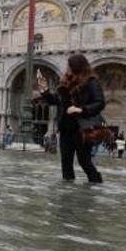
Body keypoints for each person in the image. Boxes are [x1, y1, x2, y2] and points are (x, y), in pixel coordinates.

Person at [37, 53, 105, 183]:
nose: (67, 68)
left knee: (84, 161)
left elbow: (100, 102)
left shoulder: (91, 82)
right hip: (66, 128)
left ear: (77, 66)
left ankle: (96, 183)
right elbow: (57, 101)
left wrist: (81, 109)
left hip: (83, 128)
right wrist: (44, 90)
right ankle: (67, 192)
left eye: (70, 66)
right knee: (66, 163)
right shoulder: (66, 82)